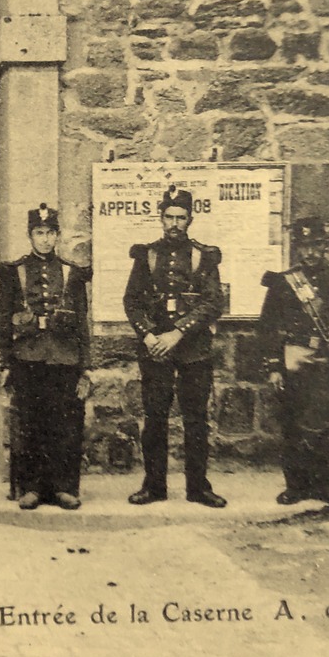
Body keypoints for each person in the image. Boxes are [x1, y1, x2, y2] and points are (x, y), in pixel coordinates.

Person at [123, 186, 228, 508]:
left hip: (193, 349)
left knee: (196, 418)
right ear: (161, 218)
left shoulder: (204, 256)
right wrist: (149, 335)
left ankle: (199, 488)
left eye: (181, 218)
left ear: (190, 220)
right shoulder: (147, 255)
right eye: (169, 217)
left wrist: (178, 332)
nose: (174, 223)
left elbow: (212, 302)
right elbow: (132, 301)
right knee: (155, 418)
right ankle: (154, 486)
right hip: (155, 350)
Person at [257, 217, 329, 510]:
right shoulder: (283, 282)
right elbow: (267, 327)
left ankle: (325, 485)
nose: (310, 252)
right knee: (293, 422)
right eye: (304, 246)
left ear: (325, 245)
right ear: (297, 248)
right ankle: (296, 486)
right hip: (295, 358)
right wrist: (273, 367)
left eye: (315, 245)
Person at [0, 204, 91, 510]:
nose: (45, 239)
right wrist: (5, 363)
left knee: (65, 424)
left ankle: (64, 488)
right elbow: (3, 321)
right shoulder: (15, 271)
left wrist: (85, 368)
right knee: (30, 423)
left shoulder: (71, 272)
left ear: (57, 235)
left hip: (64, 359)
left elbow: (81, 324)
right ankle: (31, 488)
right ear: (30, 235)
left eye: (50, 233)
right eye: (39, 233)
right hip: (28, 358)